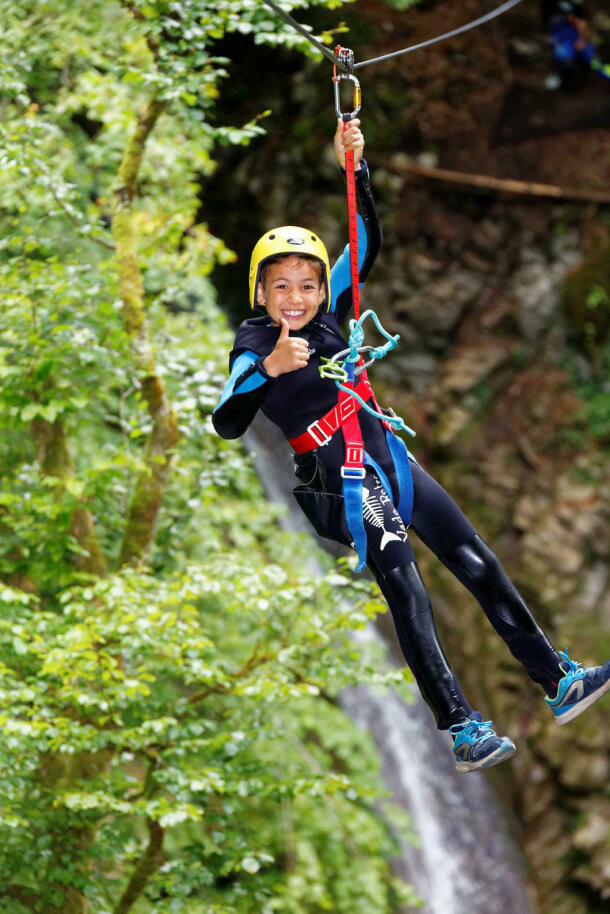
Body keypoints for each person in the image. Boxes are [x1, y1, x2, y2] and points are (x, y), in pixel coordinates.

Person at [212, 120, 610, 772]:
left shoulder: (331, 310)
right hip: (335, 480)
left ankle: (557, 679)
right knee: (406, 583)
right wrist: (271, 369)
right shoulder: (255, 343)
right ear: (260, 291)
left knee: (475, 559)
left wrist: (356, 168)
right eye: (279, 285)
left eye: (305, 284)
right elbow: (228, 417)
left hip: (384, 454)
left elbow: (363, 239)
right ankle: (460, 728)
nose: (295, 297)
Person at [541, 0, 610, 89]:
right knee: (565, 59)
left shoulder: (574, 5)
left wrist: (581, 39)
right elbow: (548, 26)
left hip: (575, 36)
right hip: (560, 38)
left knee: (595, 60)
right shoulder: (548, 4)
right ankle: (563, 79)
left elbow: (582, 23)